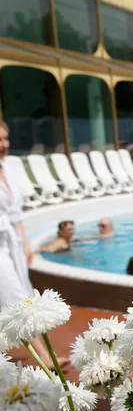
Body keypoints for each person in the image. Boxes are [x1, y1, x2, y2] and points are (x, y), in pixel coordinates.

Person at [0, 120, 68, 368]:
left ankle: (44, 353)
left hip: (12, 243)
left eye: (5, 139)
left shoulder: (7, 170)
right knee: (15, 299)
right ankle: (44, 357)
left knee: (23, 296)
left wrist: (26, 244)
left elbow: (16, 214)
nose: (3, 145)